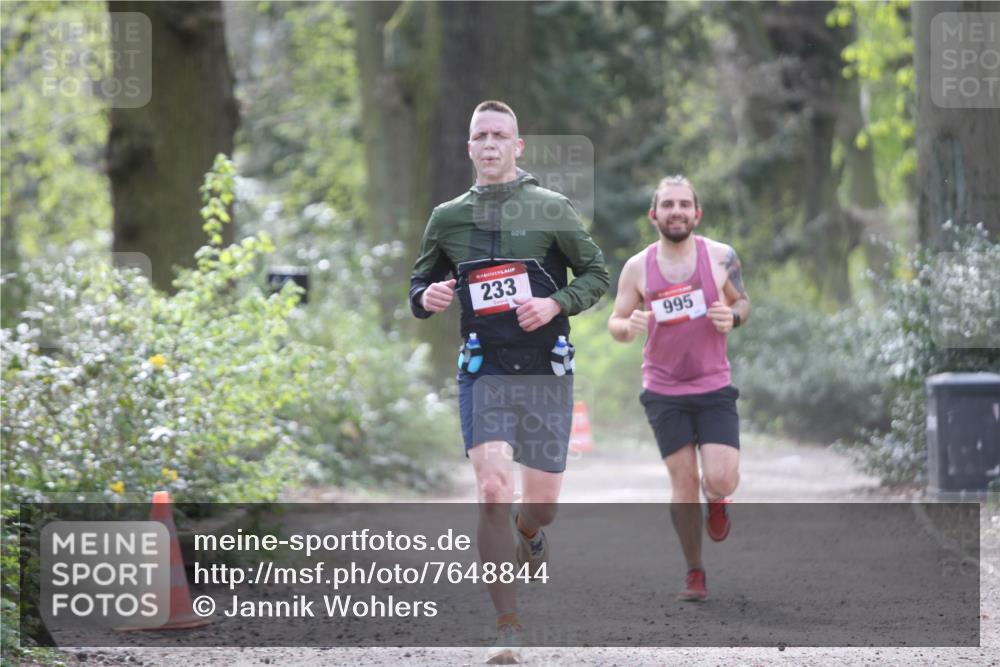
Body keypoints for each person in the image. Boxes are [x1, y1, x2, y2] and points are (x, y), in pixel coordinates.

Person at [410, 100, 609, 663]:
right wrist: (427, 297)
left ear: (517, 146)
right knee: (494, 489)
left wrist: (553, 304)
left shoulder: (551, 208)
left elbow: (597, 274)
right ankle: (507, 627)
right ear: (469, 147)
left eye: (501, 135)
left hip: (546, 368)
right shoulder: (447, 217)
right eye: (481, 136)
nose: (491, 144)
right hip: (484, 368)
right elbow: (420, 285)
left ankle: (532, 533)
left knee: (540, 506)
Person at [608, 175, 749, 602]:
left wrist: (733, 317)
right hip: (664, 388)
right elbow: (615, 322)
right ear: (654, 215)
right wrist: (628, 327)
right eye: (667, 205)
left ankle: (718, 498)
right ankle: (694, 570)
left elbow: (742, 302)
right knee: (683, 482)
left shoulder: (721, 257)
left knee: (722, 478)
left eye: (684, 204)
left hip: (713, 383)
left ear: (696, 213)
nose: (676, 211)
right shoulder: (638, 267)